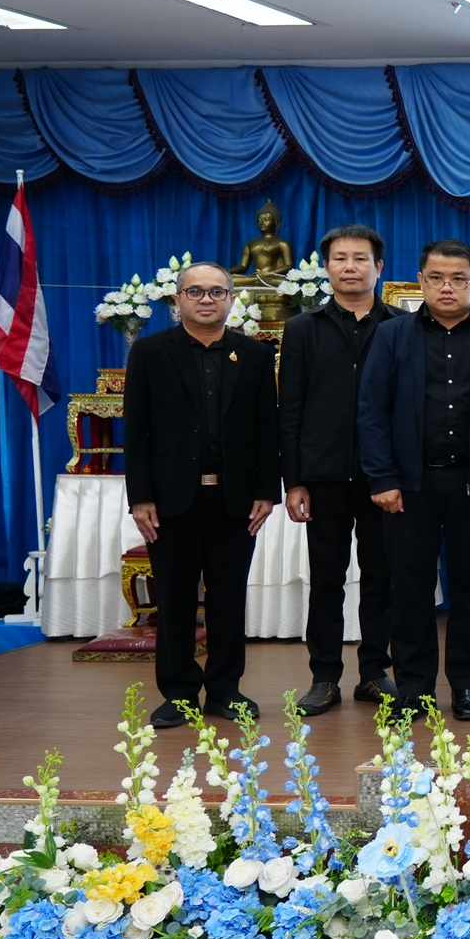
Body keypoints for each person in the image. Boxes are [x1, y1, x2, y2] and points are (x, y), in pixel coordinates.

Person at [358, 239, 470, 723]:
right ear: (421, 281)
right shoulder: (392, 335)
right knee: (409, 589)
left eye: (458, 279)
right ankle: (414, 688)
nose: (447, 287)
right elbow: (371, 411)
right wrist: (383, 478)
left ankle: (467, 686)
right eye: (436, 278)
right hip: (409, 487)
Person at [124, 262, 279, 727]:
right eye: (196, 291)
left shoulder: (253, 355)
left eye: (217, 291)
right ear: (178, 300)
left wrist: (266, 491)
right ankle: (179, 693)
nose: (206, 299)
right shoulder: (151, 353)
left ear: (232, 299)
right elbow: (137, 430)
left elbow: (266, 429)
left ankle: (226, 689)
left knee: (229, 597)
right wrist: (140, 497)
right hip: (171, 500)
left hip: (235, 499)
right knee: (173, 597)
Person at [276, 223, 397, 717]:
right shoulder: (302, 328)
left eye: (361, 258)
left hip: (381, 476)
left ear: (378, 267)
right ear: (326, 267)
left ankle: (374, 672)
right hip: (322, 476)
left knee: (381, 578)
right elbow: (291, 408)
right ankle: (324, 675)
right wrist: (294, 480)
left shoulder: (399, 326)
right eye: (341, 258)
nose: (351, 267)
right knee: (326, 577)